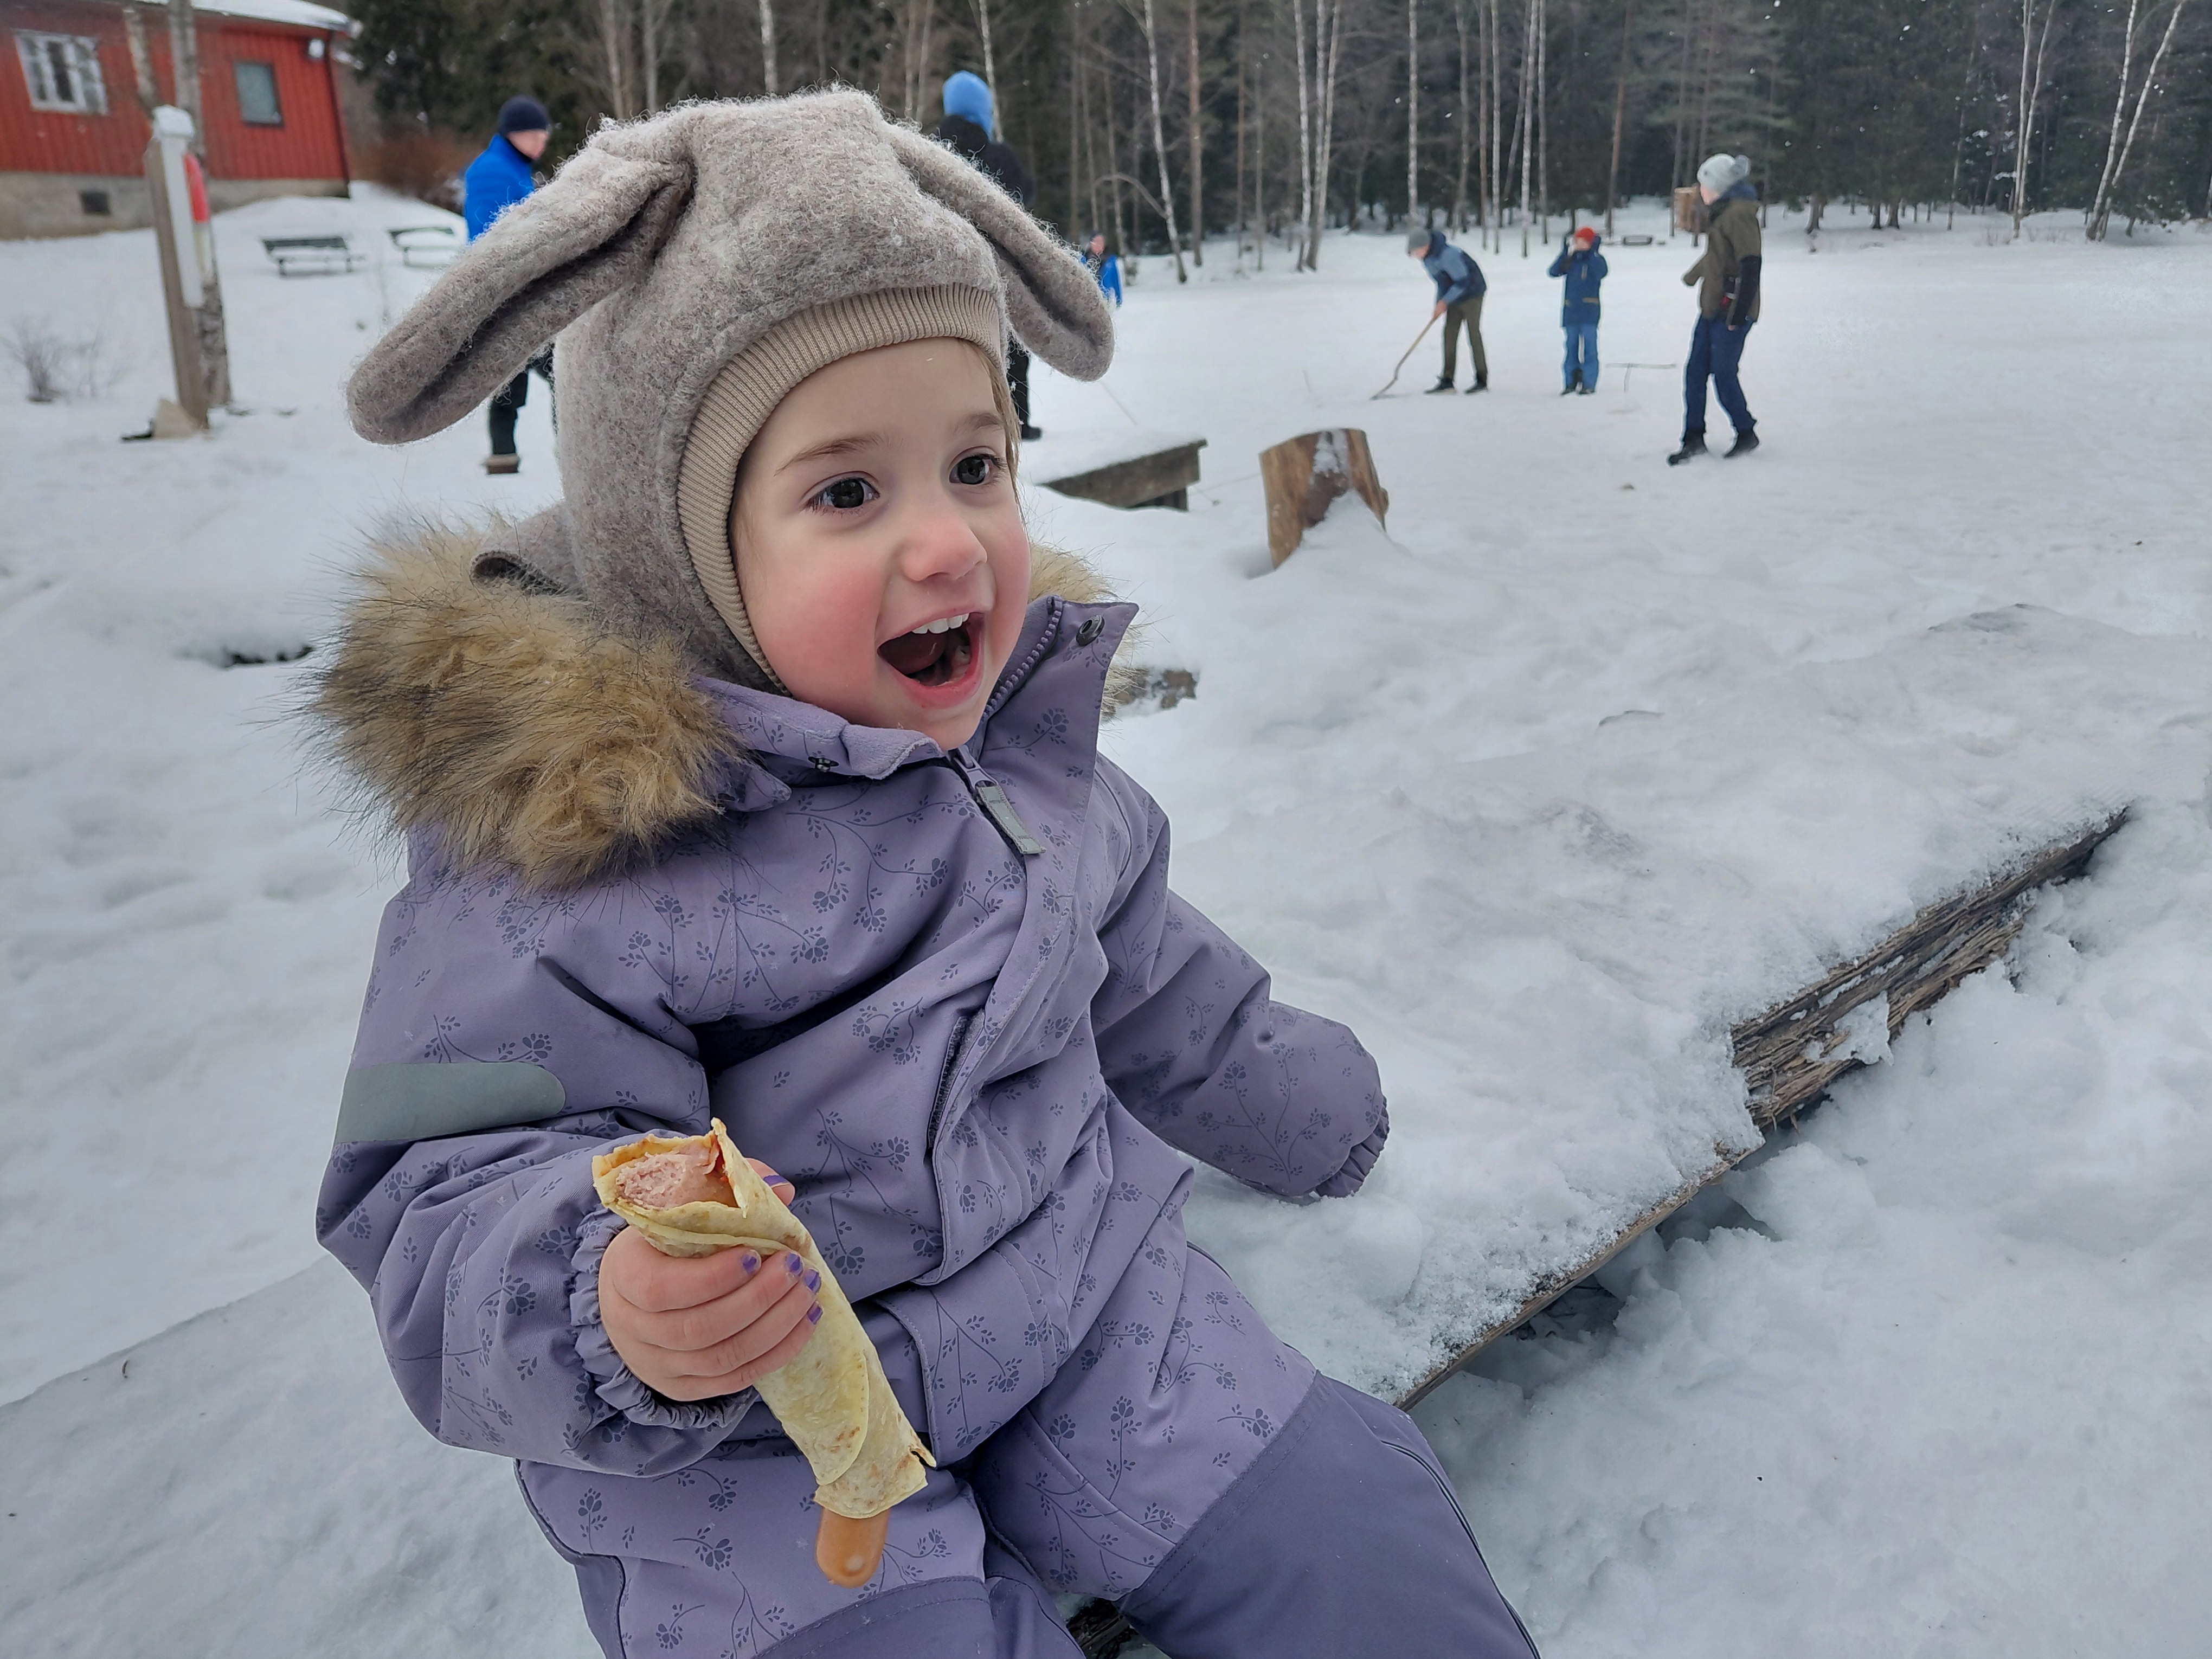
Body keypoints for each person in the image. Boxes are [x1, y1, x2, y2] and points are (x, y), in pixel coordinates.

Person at [324, 91, 1541, 1659]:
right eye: (848, 490)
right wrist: (608, 1301)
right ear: (675, 551)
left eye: (977, 462)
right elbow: (438, 1182)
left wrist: (1303, 1102)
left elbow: (1148, 962)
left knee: (1360, 1552)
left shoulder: (1015, 759)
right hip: (760, 1443)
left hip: (1080, 1310)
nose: (953, 541)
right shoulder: (559, 858)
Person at [935, 71, 1043, 442]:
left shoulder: (931, 152)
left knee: (954, 352)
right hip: (1000, 275)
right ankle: (1016, 423)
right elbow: (1025, 201)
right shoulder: (1000, 156)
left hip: (945, 277)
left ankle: (954, 427)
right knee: (1011, 355)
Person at [462, 96, 555, 475]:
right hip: (510, 297)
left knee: (512, 379)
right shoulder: (492, 171)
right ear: (512, 134)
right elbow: (492, 238)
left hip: (518, 295)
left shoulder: (512, 166)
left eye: (543, 135)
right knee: (556, 375)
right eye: (533, 135)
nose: (540, 143)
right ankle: (567, 450)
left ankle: (504, 456)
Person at [1668, 152, 1763, 465]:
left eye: (1704, 184)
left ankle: (1746, 432)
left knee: (1723, 374)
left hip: (1731, 311)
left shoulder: (1739, 214)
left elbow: (1751, 264)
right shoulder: (1723, 213)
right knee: (1695, 372)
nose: (1700, 190)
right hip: (1712, 309)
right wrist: (1693, 276)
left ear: (1720, 187)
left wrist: (1738, 313)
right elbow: (1719, 257)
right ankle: (1693, 437)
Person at [1407, 228, 1488, 393]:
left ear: (1427, 245)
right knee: (1449, 334)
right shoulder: (1427, 260)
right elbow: (1442, 283)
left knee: (1473, 334)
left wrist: (1445, 301)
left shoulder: (1448, 255)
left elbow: (1463, 282)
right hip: (1455, 295)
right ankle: (1447, 380)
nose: (1416, 255)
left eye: (1417, 251)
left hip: (1473, 292)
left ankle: (1481, 380)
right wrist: (1439, 304)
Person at [1548, 224, 1606, 395]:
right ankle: (1570, 382)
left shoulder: (1596, 260)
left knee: (1590, 349)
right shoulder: (1571, 261)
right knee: (1570, 348)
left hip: (1589, 312)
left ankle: (1589, 383)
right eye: (1576, 241)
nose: (1578, 244)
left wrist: (1592, 253)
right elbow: (1553, 272)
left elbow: (1601, 272)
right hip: (1571, 312)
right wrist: (1564, 255)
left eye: (1581, 241)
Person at [1084, 230, 1123, 306]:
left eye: (1102, 241)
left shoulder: (1111, 261)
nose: (1100, 244)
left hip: (1105, 300)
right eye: (1097, 241)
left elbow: (1116, 280)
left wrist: (1119, 297)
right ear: (1091, 243)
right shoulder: (1084, 260)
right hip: (1087, 300)